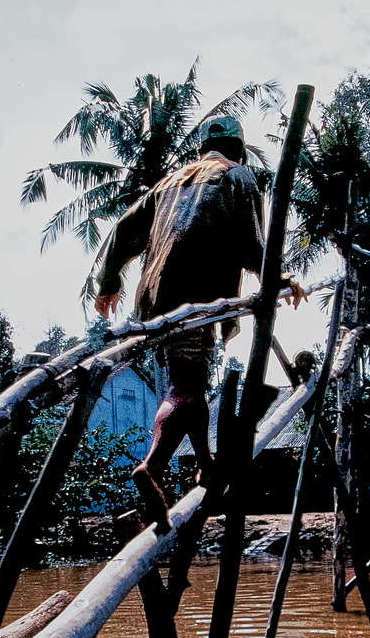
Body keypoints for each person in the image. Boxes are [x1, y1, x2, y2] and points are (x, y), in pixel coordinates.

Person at [93, 115, 303, 529]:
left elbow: (122, 230)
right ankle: (151, 467)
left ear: (201, 149)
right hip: (201, 290)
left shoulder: (169, 183)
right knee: (185, 387)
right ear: (238, 149)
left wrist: (109, 282)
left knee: (189, 381)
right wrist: (279, 278)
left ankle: (205, 463)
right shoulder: (238, 176)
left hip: (159, 296)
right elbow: (252, 243)